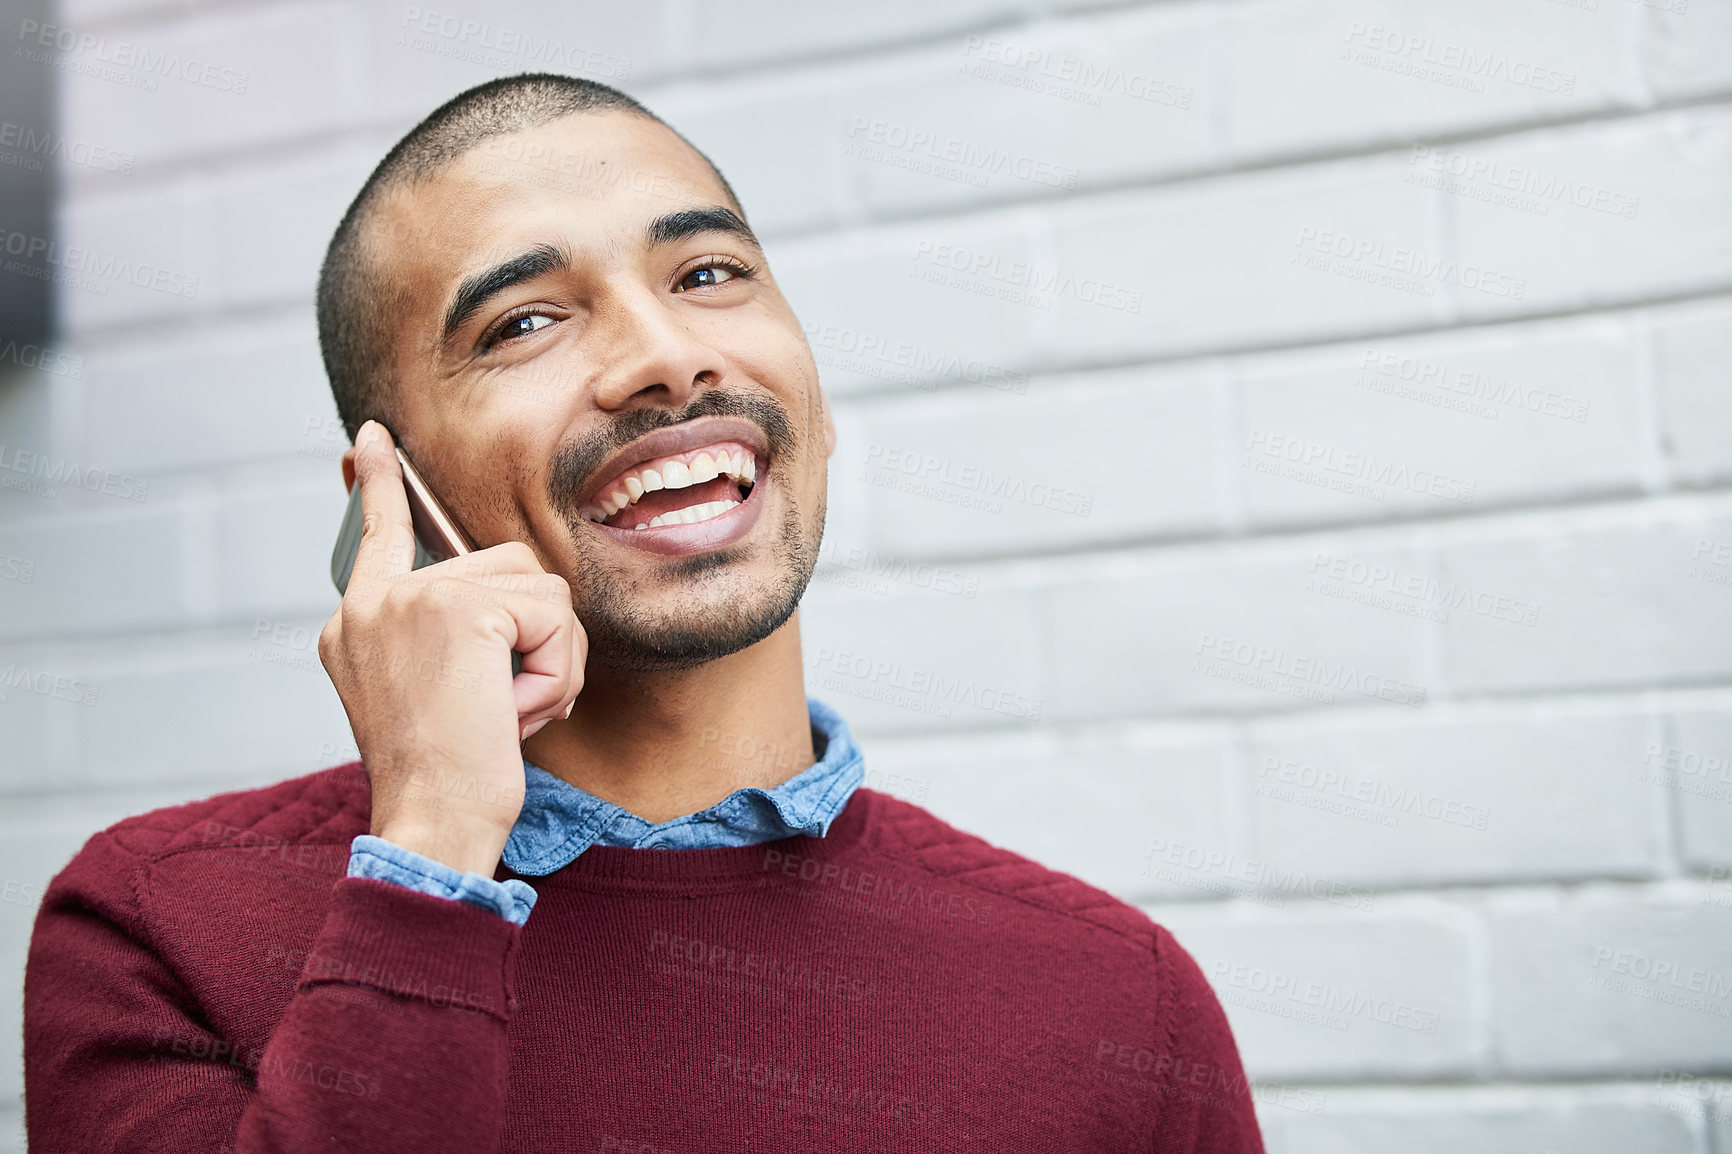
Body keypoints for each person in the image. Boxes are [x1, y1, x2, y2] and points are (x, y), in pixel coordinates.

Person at [24, 73, 1264, 1152]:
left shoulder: (1116, 1000)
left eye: (710, 272)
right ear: (393, 499)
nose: (666, 353)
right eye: (524, 320)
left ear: (814, 400)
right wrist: (435, 844)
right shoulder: (155, 930)